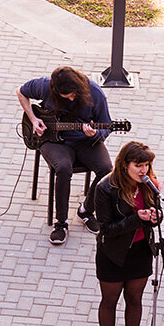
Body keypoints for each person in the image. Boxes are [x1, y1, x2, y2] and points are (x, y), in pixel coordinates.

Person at [17, 67, 114, 245]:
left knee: (107, 170)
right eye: (66, 97)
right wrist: (33, 119)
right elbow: (21, 92)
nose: (70, 99)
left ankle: (85, 210)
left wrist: (95, 134)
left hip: (85, 140)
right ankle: (60, 224)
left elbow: (106, 126)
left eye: (72, 95)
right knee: (62, 168)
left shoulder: (96, 94)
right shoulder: (44, 86)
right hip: (53, 140)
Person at [94, 141, 162, 326]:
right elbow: (106, 229)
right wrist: (137, 219)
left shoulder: (149, 186)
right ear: (124, 165)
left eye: (146, 165)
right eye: (138, 165)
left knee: (135, 299)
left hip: (140, 251)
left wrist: (155, 217)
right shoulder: (105, 188)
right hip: (112, 253)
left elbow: (155, 216)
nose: (143, 170)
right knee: (110, 300)